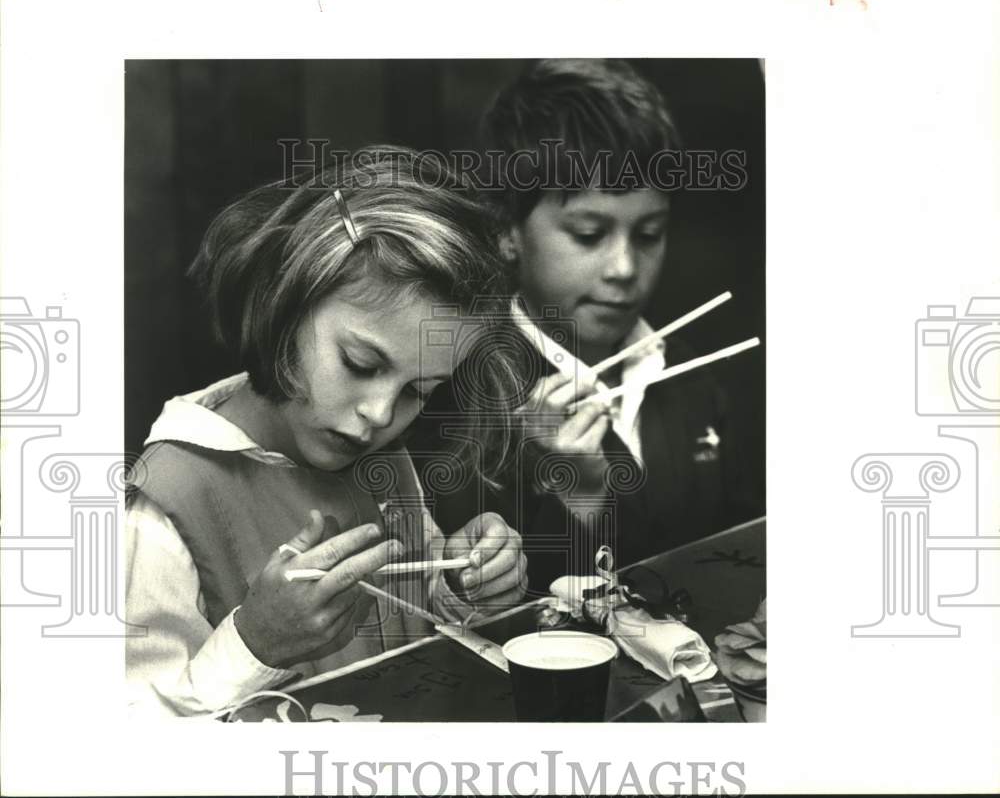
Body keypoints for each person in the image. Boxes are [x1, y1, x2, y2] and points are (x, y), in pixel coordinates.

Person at [125, 147, 529, 717]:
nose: (381, 415)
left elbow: (414, 617)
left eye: (419, 391)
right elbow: (131, 745)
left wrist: (462, 583)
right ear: (285, 303)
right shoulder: (164, 506)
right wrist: (255, 644)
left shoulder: (377, 455)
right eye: (361, 365)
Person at [415, 59, 761, 594]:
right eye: (588, 234)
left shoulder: (695, 373)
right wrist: (581, 501)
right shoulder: (456, 400)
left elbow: (742, 552)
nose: (623, 268)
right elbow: (483, 618)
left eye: (648, 234)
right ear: (508, 231)